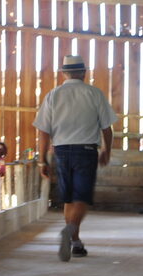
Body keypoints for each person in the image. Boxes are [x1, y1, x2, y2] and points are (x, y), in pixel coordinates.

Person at [33, 54, 117, 262]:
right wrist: (107, 150)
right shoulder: (94, 94)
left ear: (63, 73)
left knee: (69, 198)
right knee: (82, 197)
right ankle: (70, 229)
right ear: (84, 73)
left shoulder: (53, 95)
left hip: (61, 152)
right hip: (86, 151)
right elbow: (107, 128)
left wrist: (42, 160)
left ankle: (75, 242)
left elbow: (43, 130)